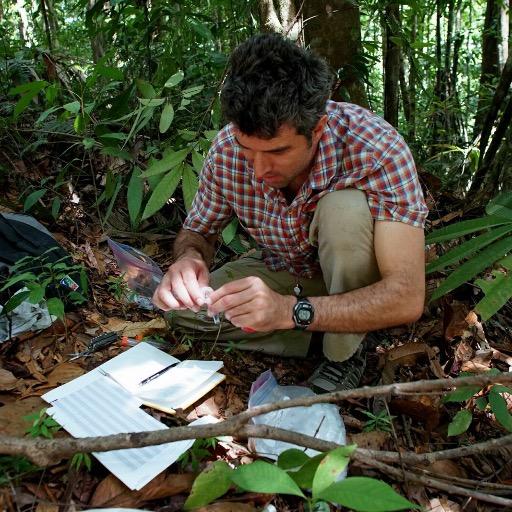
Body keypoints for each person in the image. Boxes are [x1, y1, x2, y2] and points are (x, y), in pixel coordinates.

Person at [152, 33, 428, 392]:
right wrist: (189, 259)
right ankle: (330, 328)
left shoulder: (374, 149)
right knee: (183, 312)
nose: (259, 170)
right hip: (287, 272)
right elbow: (199, 232)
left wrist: (287, 312)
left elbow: (406, 295)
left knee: (343, 210)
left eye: (278, 152)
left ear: (317, 129)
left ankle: (345, 352)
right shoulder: (226, 150)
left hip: (355, 275)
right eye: (247, 149)